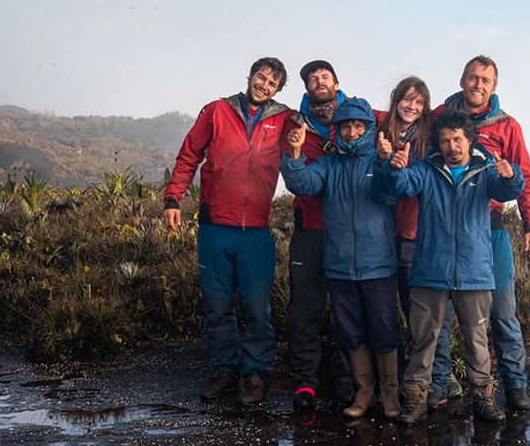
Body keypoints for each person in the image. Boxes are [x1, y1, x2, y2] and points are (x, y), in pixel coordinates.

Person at [376, 110, 525, 425]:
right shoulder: (426, 170)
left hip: (474, 272)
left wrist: (510, 173)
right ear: (438, 144)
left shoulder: (485, 171)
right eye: (445, 140)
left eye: (457, 139)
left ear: (470, 141)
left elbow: (507, 191)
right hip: (431, 269)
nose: (451, 145)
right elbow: (400, 185)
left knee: (477, 340)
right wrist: (393, 167)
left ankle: (484, 399)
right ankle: (415, 399)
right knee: (424, 338)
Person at [163, 57, 292, 405]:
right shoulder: (217, 110)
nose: (263, 85)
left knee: (256, 308)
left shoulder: (284, 119)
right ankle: (225, 371)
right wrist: (173, 198)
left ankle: (256, 375)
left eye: (272, 83)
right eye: (260, 77)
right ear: (250, 76)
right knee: (217, 306)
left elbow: (316, 133)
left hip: (256, 230)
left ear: (278, 89)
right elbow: (189, 154)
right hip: (214, 227)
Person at [281, 97, 403, 419]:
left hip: (377, 264)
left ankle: (390, 396)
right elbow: (303, 185)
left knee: (384, 329)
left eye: (357, 125)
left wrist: (386, 164)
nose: (351, 131)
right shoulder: (327, 163)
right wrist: (294, 155)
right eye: (345, 126)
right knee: (351, 331)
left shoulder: (378, 160)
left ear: (368, 127)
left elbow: (388, 194)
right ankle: (364, 394)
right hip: (339, 264)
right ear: (336, 130)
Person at [431, 55, 530, 411]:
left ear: (494, 87)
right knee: (442, 316)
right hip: (444, 230)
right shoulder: (440, 117)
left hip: (490, 229)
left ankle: (515, 386)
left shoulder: (507, 126)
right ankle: (441, 382)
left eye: (485, 81)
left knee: (502, 312)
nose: (478, 84)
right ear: (462, 79)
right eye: (472, 77)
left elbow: (525, 176)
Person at [375, 77, 462, 408]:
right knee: (393, 312)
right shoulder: (381, 130)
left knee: (426, 312)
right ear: (396, 99)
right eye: (406, 99)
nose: (411, 106)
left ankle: (440, 378)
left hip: (419, 235)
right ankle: (404, 381)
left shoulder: (431, 136)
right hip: (384, 234)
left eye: (419, 102)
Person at [282, 60, 355, 411]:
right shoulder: (295, 126)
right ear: (307, 89)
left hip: (348, 233)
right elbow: (294, 177)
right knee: (304, 310)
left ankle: (344, 377)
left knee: (347, 310)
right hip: (309, 230)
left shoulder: (359, 117)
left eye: (324, 76)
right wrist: (294, 150)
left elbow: (409, 114)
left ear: (337, 83)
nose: (319, 82)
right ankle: (306, 382)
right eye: (312, 79)